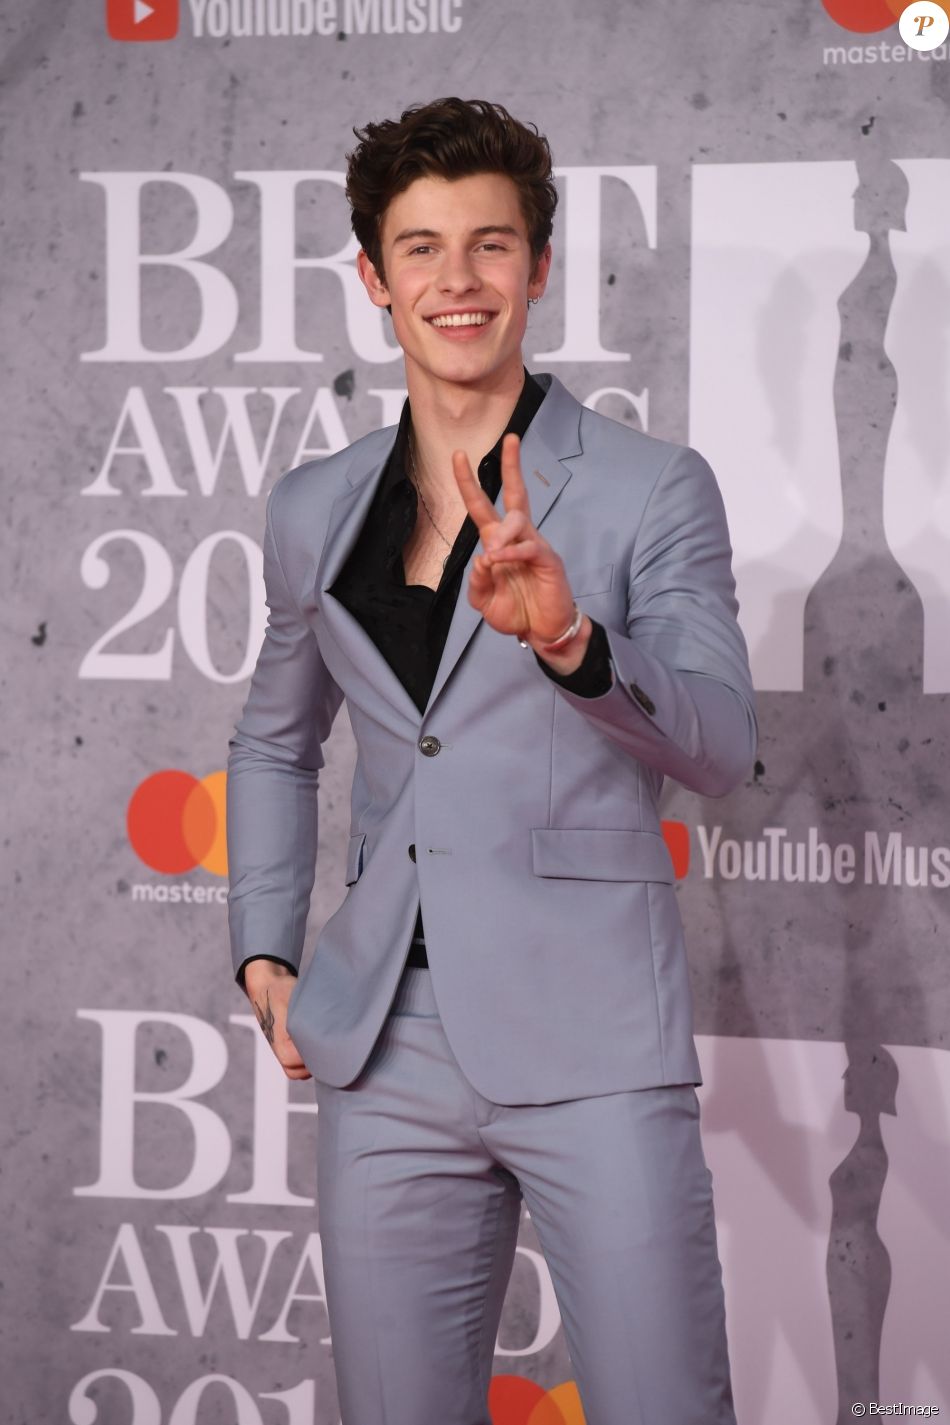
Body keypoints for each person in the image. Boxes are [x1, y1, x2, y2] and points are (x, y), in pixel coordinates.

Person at [227, 96, 756, 1425]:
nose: (455, 280)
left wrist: (574, 640)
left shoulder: (649, 486)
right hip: (381, 1044)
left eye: (488, 244)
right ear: (371, 277)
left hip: (591, 1036)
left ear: (538, 265)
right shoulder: (311, 506)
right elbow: (274, 739)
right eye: (419, 248)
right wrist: (264, 949)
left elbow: (721, 744)